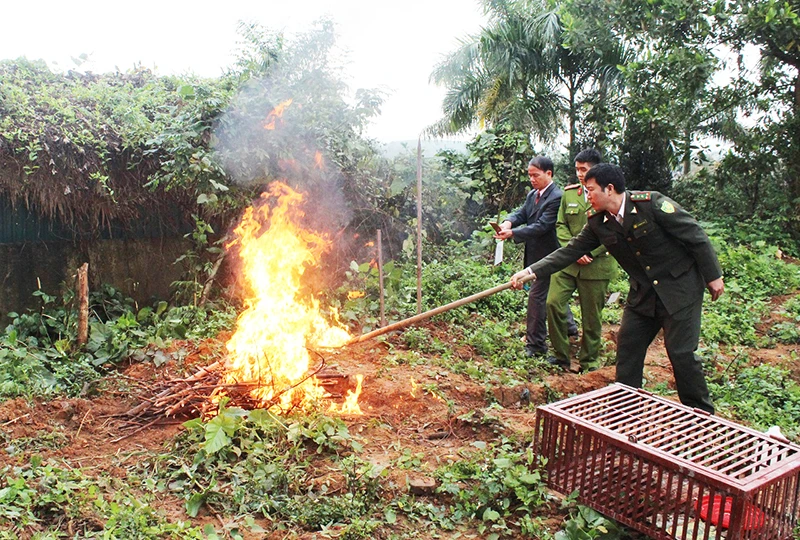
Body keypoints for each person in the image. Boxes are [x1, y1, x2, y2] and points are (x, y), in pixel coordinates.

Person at [510, 163, 724, 413]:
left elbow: (695, 235)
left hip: (679, 289)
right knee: (628, 348)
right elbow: (570, 251)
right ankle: (627, 408)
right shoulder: (599, 222)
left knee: (681, 354)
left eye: (591, 190)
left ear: (609, 189)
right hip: (643, 294)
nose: (587, 195)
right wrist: (530, 271)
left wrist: (713, 276)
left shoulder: (651, 204)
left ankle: (701, 414)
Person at [495, 156, 576, 358]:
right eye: (529, 175)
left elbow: (542, 226)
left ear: (549, 173)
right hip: (536, 255)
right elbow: (522, 213)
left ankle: (536, 344)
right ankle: (570, 329)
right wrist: (508, 222)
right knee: (551, 295)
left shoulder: (557, 197)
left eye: (536, 175)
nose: (532, 179)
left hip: (550, 256)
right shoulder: (533, 194)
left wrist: (513, 233)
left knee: (537, 298)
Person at [545, 149, 618, 372]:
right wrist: (574, 250)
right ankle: (561, 355)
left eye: (583, 169)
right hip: (569, 263)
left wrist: (591, 253)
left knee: (591, 316)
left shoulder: (609, 195)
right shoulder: (569, 194)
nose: (579, 174)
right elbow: (560, 225)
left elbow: (615, 231)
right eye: (577, 169)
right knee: (553, 303)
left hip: (596, 266)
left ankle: (589, 361)